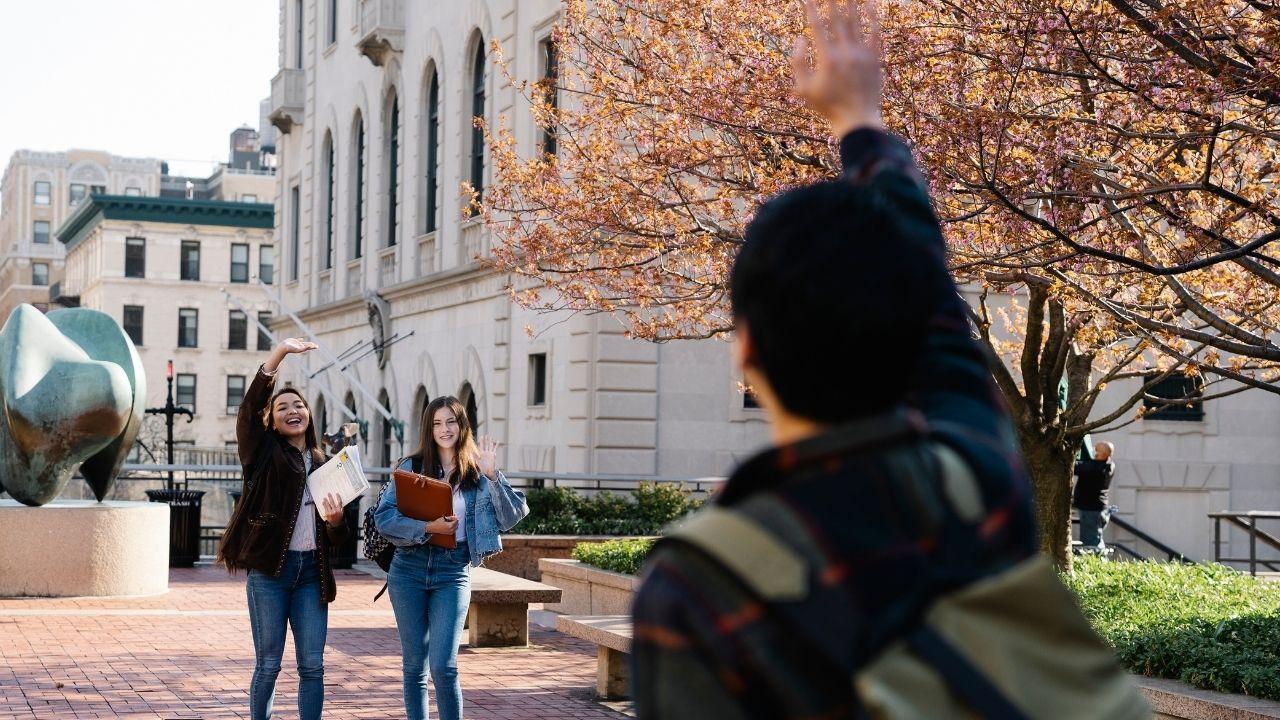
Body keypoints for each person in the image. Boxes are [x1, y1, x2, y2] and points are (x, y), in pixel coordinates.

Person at [629, 1, 1149, 718]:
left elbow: (922, 290)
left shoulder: (698, 587)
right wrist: (862, 123)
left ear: (745, 351)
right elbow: (925, 286)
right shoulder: (977, 478)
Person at [217, 338, 349, 720]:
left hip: (312, 575)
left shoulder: (327, 463)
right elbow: (249, 410)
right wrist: (279, 355)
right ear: (272, 419)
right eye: (283, 407)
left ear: (309, 414)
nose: (293, 411)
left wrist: (337, 523)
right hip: (271, 573)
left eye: (299, 406)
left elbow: (337, 538)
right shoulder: (262, 451)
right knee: (269, 665)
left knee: (312, 667)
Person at [373, 396, 529, 720]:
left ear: (462, 425)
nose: (445, 429)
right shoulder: (411, 467)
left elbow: (513, 515)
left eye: (451, 422)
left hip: (453, 570)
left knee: (444, 666)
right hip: (409, 568)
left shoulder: (477, 471)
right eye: (437, 423)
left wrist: (493, 475)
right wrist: (427, 526)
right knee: (415, 666)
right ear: (428, 429)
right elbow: (383, 518)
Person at [1074, 441, 1117, 552]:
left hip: (1091, 510)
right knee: (1096, 540)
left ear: (1101, 454)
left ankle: (1098, 564)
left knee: (1091, 545)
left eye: (1096, 450)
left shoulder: (1097, 468)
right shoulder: (1109, 464)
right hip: (1099, 509)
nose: (1094, 452)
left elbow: (1075, 467)